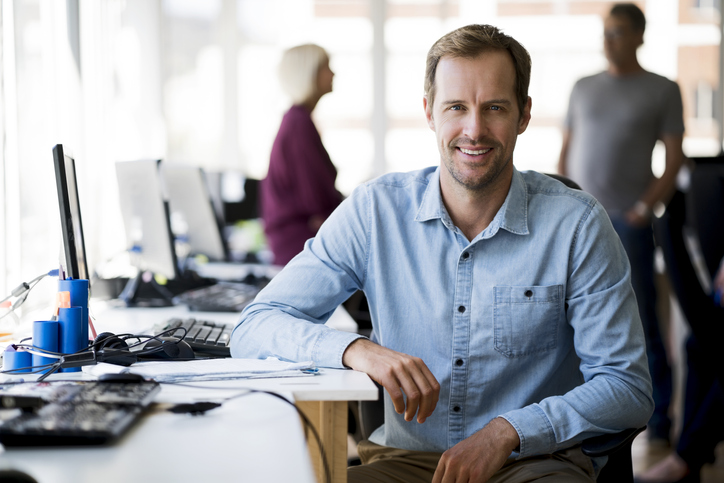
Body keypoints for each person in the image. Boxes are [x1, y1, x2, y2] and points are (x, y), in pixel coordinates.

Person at [232, 24, 653, 482]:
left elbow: (626, 386)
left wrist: (508, 430)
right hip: (406, 463)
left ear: (524, 115)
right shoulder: (376, 212)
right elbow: (255, 325)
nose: (474, 130)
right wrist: (358, 350)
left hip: (532, 463)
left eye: (494, 107)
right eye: (457, 107)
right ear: (430, 111)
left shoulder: (578, 225)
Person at [558, 3, 684, 445]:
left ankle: (660, 424)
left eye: (618, 32)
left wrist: (642, 210)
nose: (608, 40)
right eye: (605, 32)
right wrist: (558, 200)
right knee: (571, 323)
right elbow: (566, 150)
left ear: (639, 36)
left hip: (627, 223)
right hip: (576, 219)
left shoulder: (663, 89)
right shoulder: (583, 87)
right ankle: (586, 421)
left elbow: (673, 161)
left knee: (641, 322)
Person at [261, 43, 343, 265]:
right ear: (311, 73)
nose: (333, 73)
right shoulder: (299, 124)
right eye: (327, 67)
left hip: (295, 242)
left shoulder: (295, 120)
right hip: (299, 246)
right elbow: (316, 199)